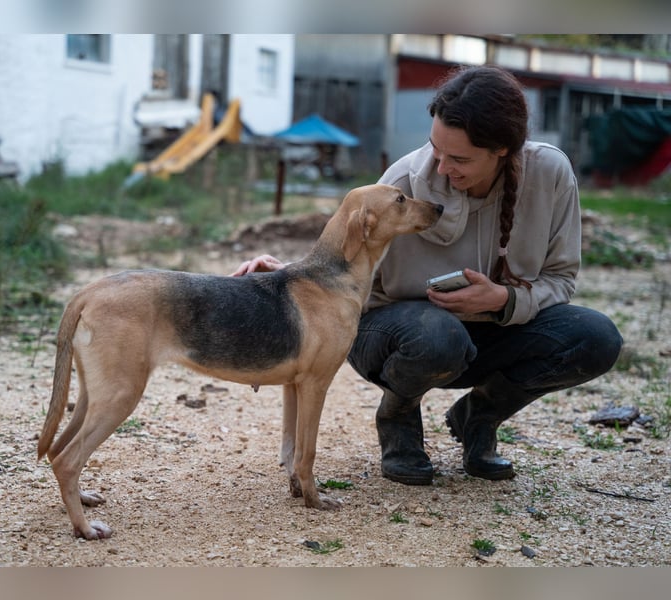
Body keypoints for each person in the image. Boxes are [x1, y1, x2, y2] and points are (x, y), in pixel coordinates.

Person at [232, 65, 623, 485]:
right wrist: (278, 279)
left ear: (504, 150)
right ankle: (398, 417)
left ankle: (480, 416)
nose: (441, 166)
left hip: (497, 329)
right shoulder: (402, 183)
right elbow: (339, 258)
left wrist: (505, 300)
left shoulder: (551, 175)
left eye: (459, 159)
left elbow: (561, 279)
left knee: (596, 337)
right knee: (437, 334)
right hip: (397, 336)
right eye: (436, 148)